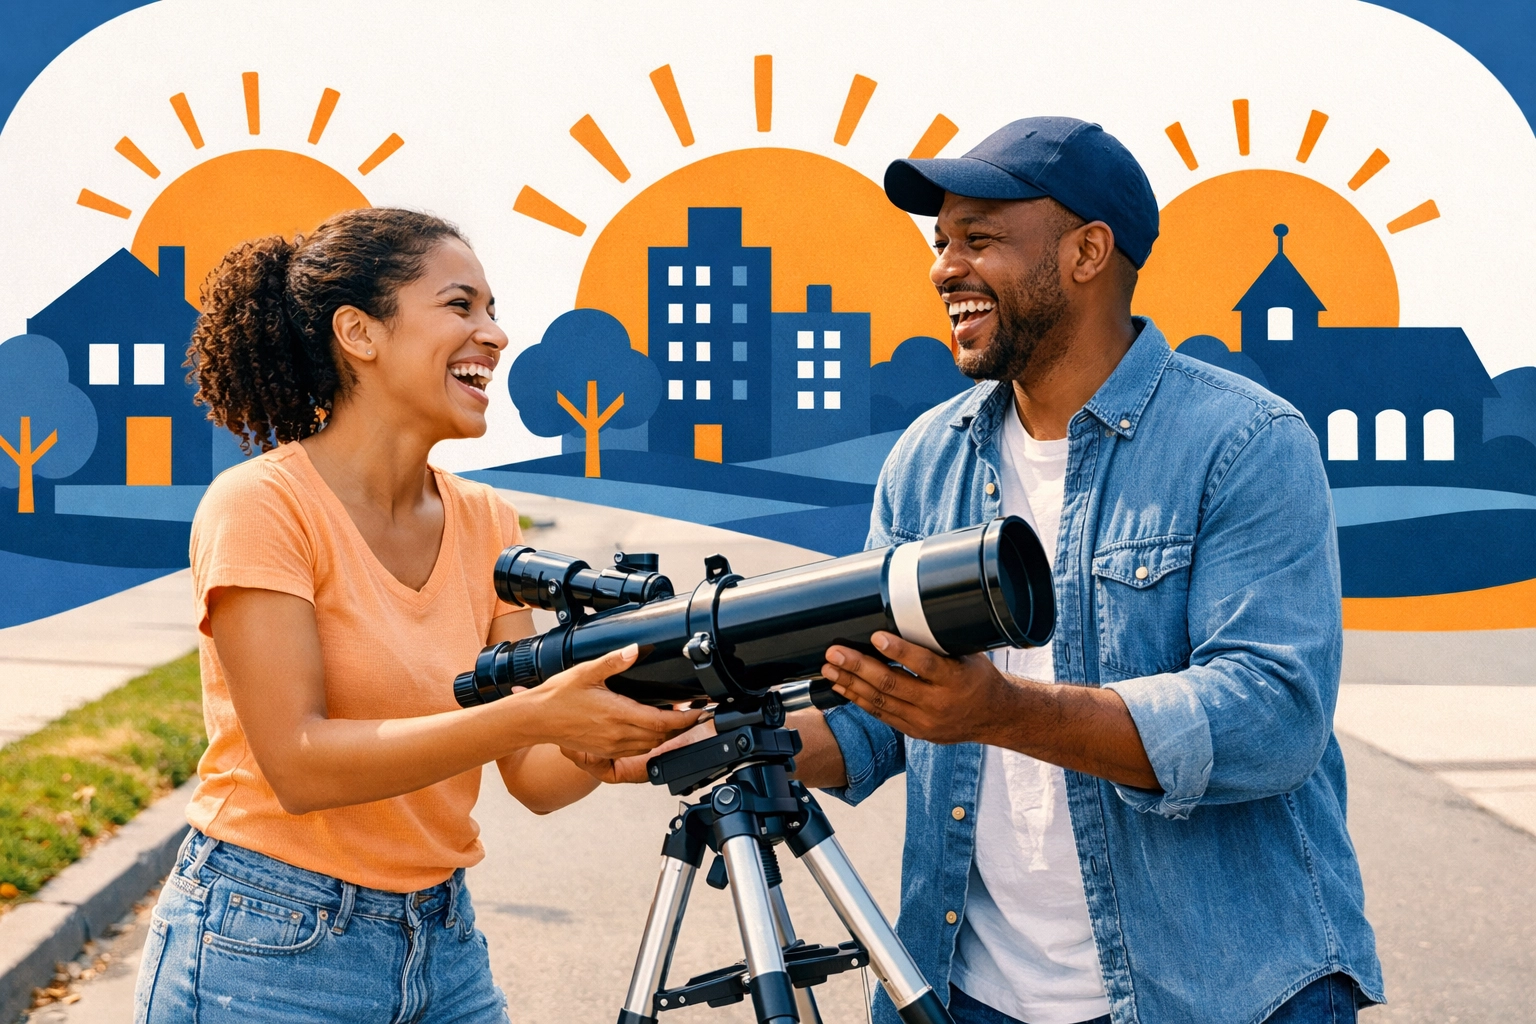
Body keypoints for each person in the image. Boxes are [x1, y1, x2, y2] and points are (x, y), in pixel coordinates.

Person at [576, 118, 1383, 1024]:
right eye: (941, 243)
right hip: (967, 991)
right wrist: (709, 740)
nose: (944, 269)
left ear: (1087, 252)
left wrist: (1000, 712)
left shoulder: (1243, 443)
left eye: (979, 239)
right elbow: (880, 713)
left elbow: (1271, 715)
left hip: (1219, 990)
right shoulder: (928, 460)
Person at [133, 208, 699, 1024]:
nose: (495, 334)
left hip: (441, 943)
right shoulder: (262, 506)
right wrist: (535, 714)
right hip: (263, 944)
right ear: (359, 333)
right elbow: (299, 764)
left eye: (492, 310)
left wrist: (612, 723)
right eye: (460, 305)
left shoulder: (486, 522)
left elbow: (534, 774)